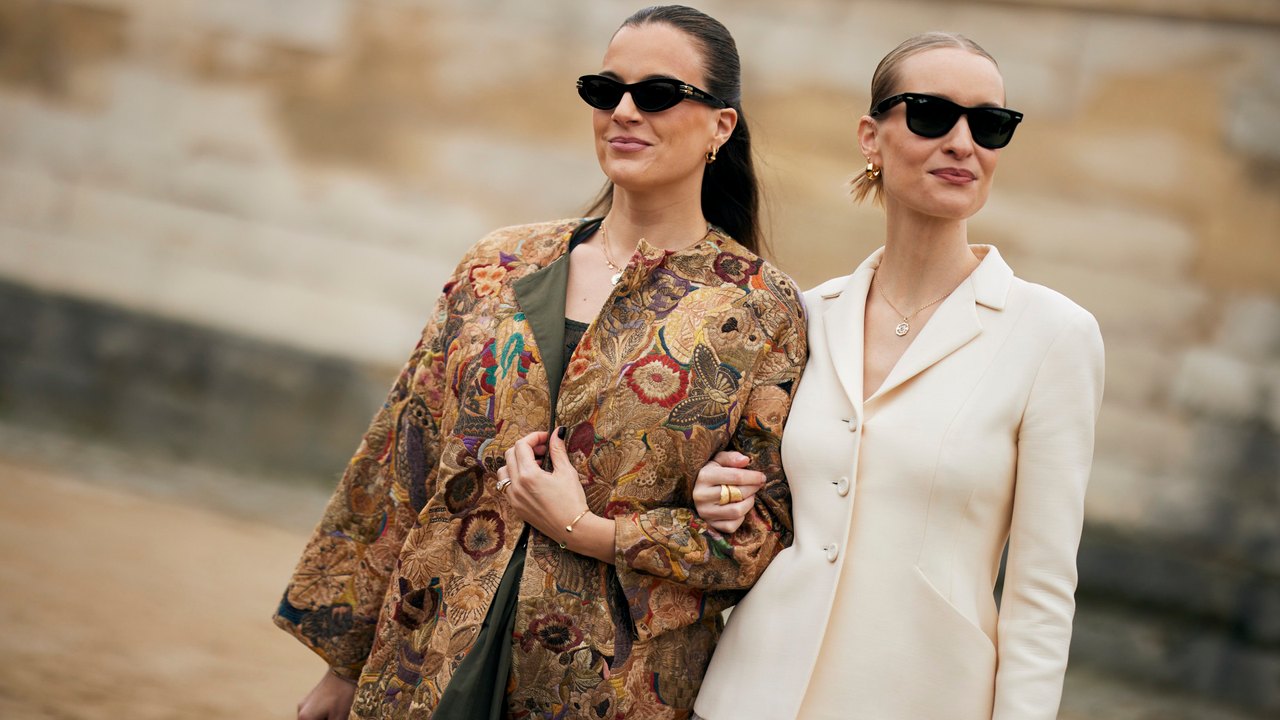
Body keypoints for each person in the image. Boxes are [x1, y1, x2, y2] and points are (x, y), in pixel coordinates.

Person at [274, 6, 806, 720]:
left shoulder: (763, 308)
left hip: (611, 686)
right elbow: (400, 461)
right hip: (425, 654)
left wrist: (599, 530)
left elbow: (761, 533)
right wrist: (344, 662)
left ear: (721, 126)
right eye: (605, 89)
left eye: (655, 94)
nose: (623, 111)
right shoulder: (497, 264)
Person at [691, 32, 1105, 720]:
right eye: (931, 114)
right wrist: (720, 495)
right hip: (752, 692)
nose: (962, 142)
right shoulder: (804, 316)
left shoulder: (1053, 335)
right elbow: (772, 507)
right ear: (870, 136)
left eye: (990, 124)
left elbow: (1041, 594)